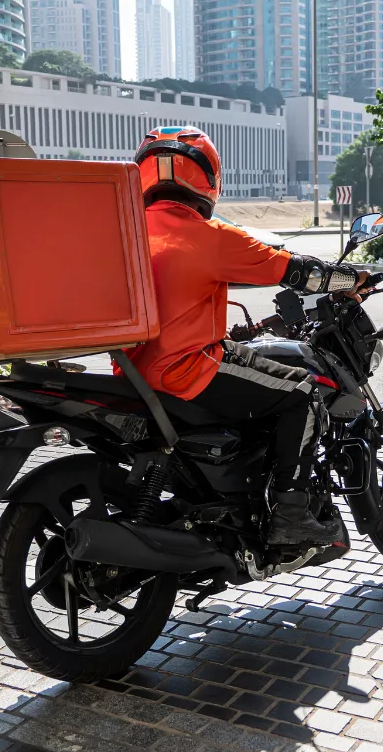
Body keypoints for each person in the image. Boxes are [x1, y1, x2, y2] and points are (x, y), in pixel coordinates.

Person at [119, 126, 367, 546]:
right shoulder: (211, 237)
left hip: (131, 375)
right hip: (187, 372)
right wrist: (350, 278)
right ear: (209, 179)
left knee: (244, 355)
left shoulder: (123, 233)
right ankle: (291, 512)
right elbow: (297, 271)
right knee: (304, 396)